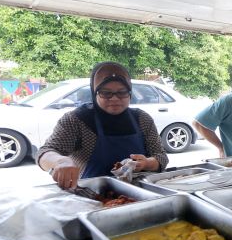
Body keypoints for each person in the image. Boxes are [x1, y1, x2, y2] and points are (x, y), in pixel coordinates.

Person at [38, 62, 168, 189]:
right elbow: (45, 152)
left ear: (130, 93)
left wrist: (147, 163)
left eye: (122, 92)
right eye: (106, 93)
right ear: (95, 93)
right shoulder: (76, 120)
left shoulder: (142, 119)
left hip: (139, 193)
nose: (114, 98)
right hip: (91, 194)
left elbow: (161, 157)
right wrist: (60, 161)